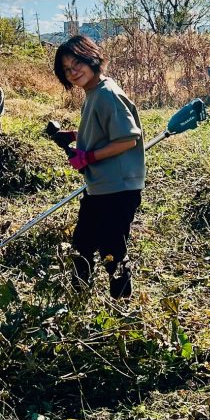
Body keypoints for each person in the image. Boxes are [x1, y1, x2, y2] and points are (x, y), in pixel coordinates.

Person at [53, 35, 144, 299]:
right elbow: (102, 129)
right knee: (82, 242)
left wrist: (88, 157)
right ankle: (78, 296)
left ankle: (122, 308)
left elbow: (128, 138)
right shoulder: (94, 91)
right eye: (67, 69)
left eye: (77, 63)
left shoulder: (106, 94)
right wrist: (73, 136)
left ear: (91, 57)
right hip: (99, 186)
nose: (73, 72)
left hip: (117, 188)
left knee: (112, 250)